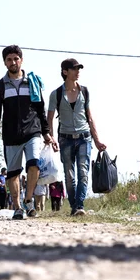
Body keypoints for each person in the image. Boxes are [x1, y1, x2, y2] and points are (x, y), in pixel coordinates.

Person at [0, 45, 57, 220]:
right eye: (9, 59)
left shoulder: (32, 82)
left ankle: (28, 200)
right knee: (13, 174)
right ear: (5, 63)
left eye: (16, 59)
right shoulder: (0, 86)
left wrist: (46, 132)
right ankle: (18, 208)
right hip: (11, 135)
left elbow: (41, 109)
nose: (13, 62)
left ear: (21, 60)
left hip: (32, 132)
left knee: (34, 164)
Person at [47, 58, 106, 216]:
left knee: (83, 171)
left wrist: (97, 140)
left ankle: (79, 205)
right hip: (65, 138)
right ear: (65, 72)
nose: (78, 71)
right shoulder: (56, 94)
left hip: (84, 137)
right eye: (74, 69)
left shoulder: (84, 91)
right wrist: (51, 138)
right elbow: (49, 119)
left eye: (79, 69)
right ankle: (74, 205)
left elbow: (90, 118)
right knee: (69, 175)